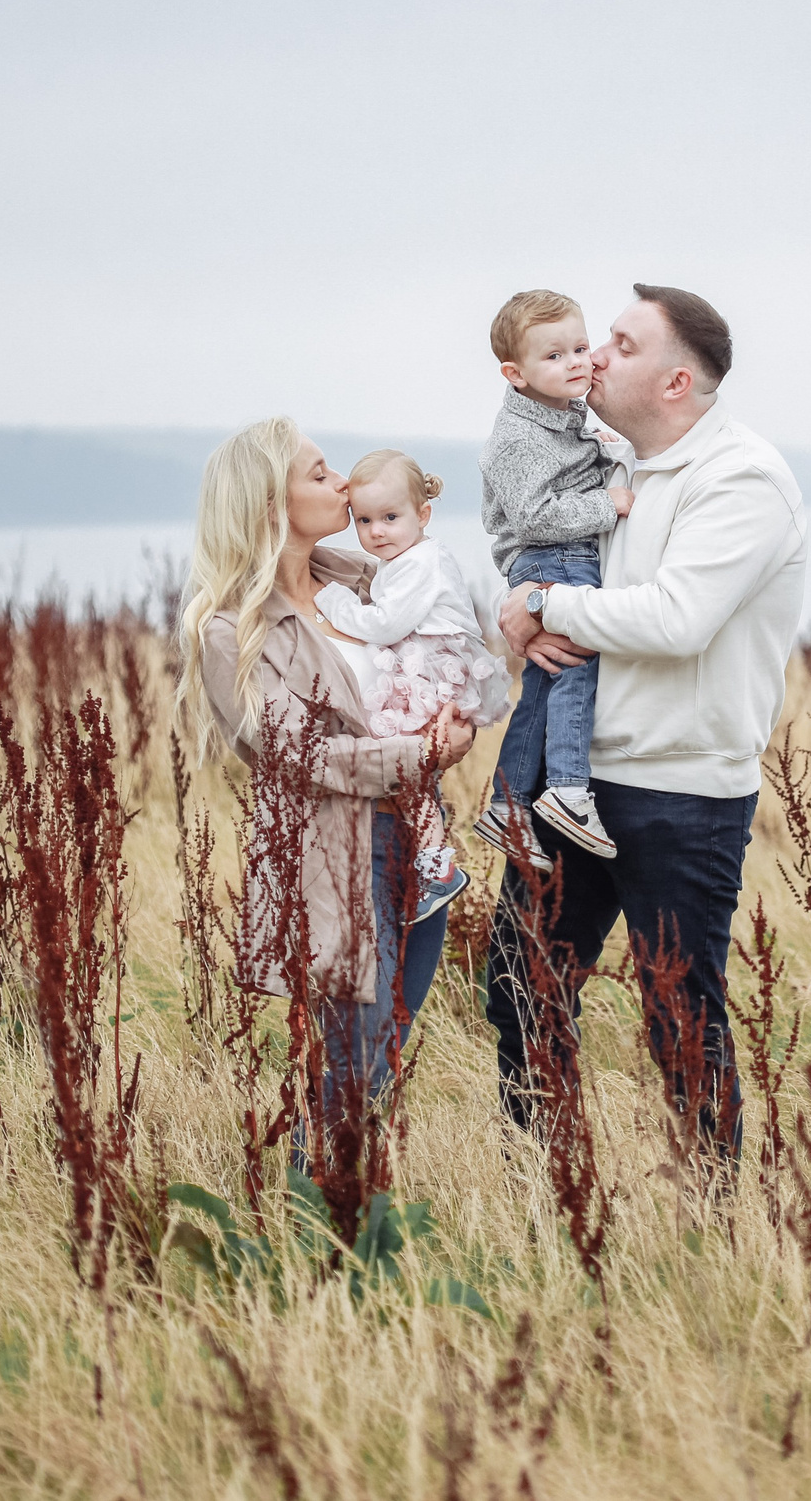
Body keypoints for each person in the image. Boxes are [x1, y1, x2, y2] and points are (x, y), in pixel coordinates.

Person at [486, 285, 807, 1154]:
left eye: (620, 345)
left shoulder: (742, 477)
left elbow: (674, 620)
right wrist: (525, 606)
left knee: (678, 1010)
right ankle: (548, 1195)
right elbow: (533, 561)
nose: (594, 356)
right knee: (520, 981)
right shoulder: (614, 469)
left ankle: (709, 1229)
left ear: (675, 381)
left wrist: (547, 604)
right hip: (578, 786)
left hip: (682, 793)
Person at [174, 417, 478, 1115]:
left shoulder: (368, 578)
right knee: (352, 1065)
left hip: (419, 841)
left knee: (382, 1059)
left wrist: (456, 704)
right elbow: (298, 756)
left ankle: (359, 1216)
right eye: (318, 474)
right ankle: (314, 1221)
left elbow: (439, 643)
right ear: (269, 508)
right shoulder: (230, 630)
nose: (341, 482)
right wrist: (419, 753)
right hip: (335, 858)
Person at [472, 288, 636, 870]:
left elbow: (568, 464)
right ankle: (567, 787)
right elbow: (535, 515)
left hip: (557, 558)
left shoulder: (560, 415)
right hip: (551, 556)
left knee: (542, 687)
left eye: (579, 346)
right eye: (554, 356)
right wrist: (608, 502)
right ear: (515, 374)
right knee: (577, 660)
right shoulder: (517, 437)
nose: (574, 362)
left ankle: (508, 804)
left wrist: (603, 448)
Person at [314, 448, 509, 919]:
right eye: (363, 520)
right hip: (425, 668)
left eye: (389, 517)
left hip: (435, 670)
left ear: (423, 514)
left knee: (401, 756)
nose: (376, 531)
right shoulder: (403, 559)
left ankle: (437, 863)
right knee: (407, 764)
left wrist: (335, 602)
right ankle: (433, 857)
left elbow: (384, 624)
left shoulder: (424, 562)